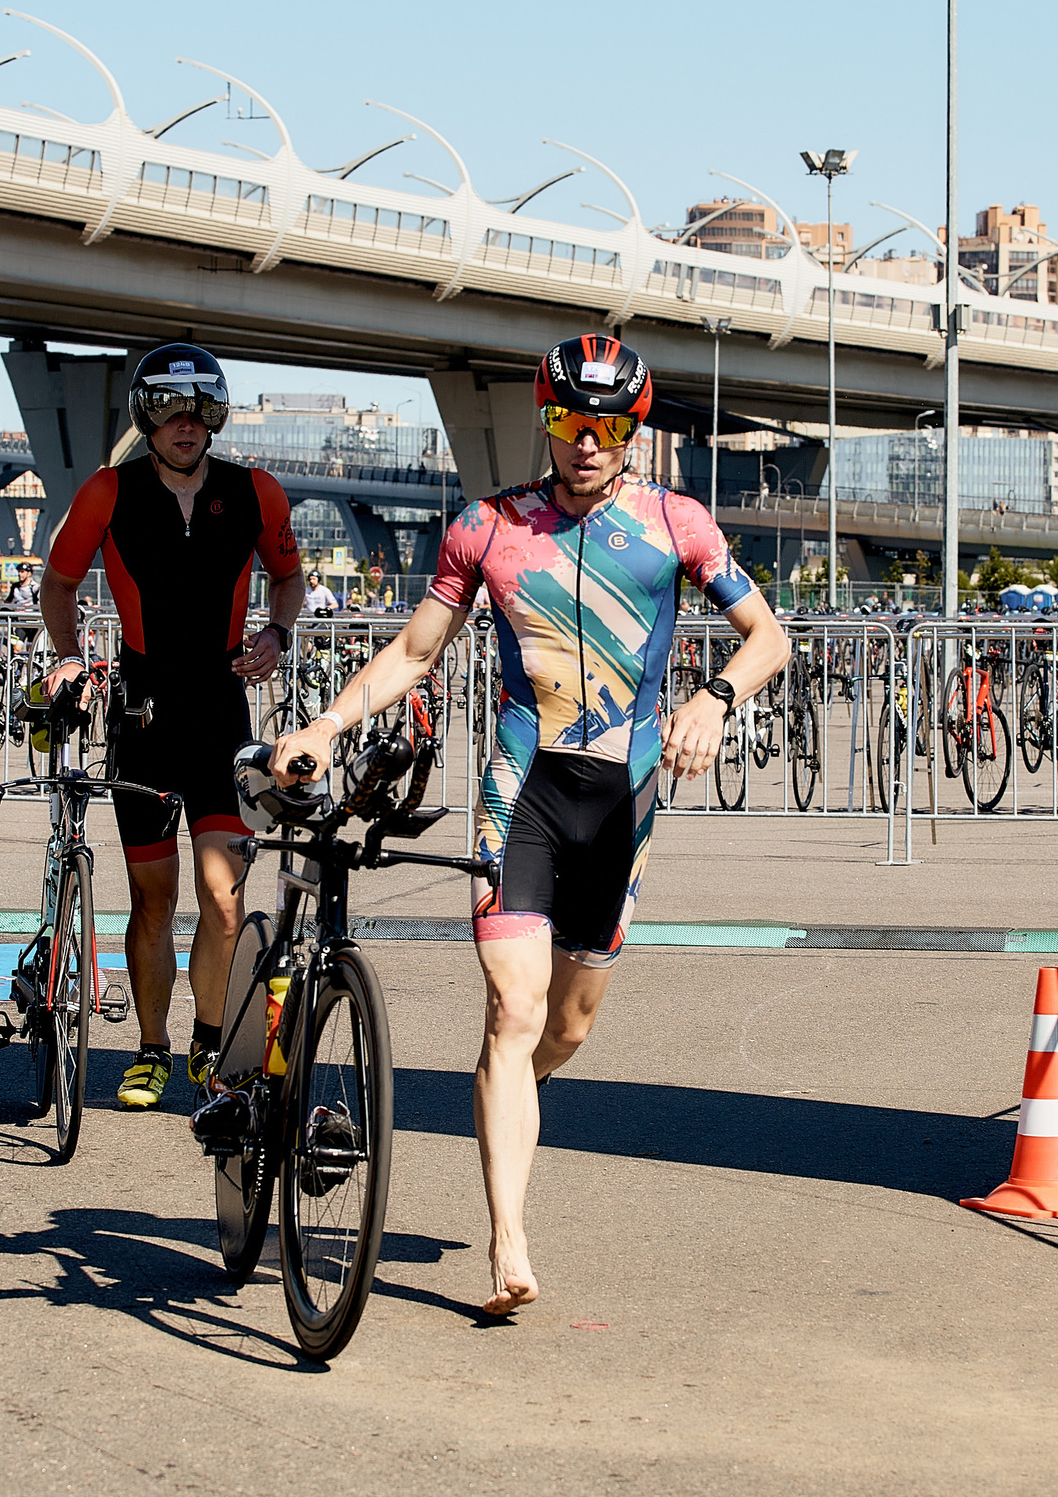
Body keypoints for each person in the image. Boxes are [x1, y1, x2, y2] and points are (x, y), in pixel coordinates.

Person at [270, 334, 788, 1316]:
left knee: (569, 1027)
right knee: (513, 1014)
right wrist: (329, 723)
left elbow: (769, 637)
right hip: (525, 792)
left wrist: (716, 698)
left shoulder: (677, 525)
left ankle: (510, 1087)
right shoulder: (489, 527)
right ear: (543, 421)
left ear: (631, 431)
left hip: (621, 802)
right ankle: (509, 1243)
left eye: (603, 427)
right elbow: (415, 652)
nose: (583, 443)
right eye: (564, 423)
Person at [37, 342, 305, 1110]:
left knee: (224, 897)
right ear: (145, 415)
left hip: (222, 713)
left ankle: (209, 1042)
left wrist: (276, 633)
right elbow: (58, 583)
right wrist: (68, 657)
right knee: (153, 899)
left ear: (216, 414)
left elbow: (288, 580)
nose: (186, 424)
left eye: (200, 410)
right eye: (169, 409)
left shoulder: (255, 491)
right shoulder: (106, 492)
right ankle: (152, 1047)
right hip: (142, 714)